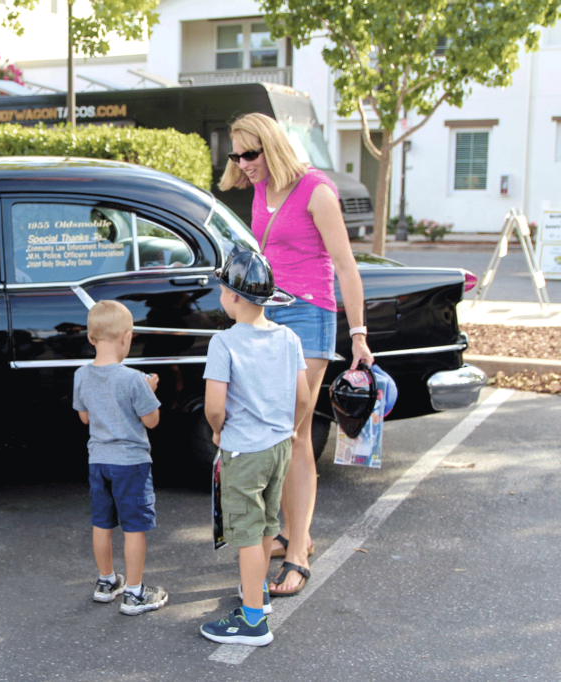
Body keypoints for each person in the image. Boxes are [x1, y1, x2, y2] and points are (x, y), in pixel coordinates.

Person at [219, 113, 375, 597]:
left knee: (294, 431)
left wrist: (360, 335)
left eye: (251, 154)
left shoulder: (317, 191)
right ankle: (290, 529)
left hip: (309, 317)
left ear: (272, 146)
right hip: (269, 317)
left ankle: (299, 550)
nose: (243, 165)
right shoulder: (261, 187)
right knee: (273, 430)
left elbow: (346, 267)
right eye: (236, 155)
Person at [199, 248, 310, 646]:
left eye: (221, 289)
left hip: (243, 451)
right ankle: (257, 593)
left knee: (244, 533)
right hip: (280, 446)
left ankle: (251, 623)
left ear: (234, 297)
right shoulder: (289, 338)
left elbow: (214, 406)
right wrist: (293, 429)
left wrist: (217, 431)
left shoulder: (223, 343)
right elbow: (303, 397)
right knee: (266, 523)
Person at [72, 300, 168, 616]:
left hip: (98, 461)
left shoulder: (81, 376)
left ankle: (106, 582)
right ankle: (136, 593)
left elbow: (85, 418)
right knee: (133, 527)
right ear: (127, 337)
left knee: (102, 522)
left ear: (90, 337)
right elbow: (152, 420)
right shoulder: (133, 379)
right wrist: (150, 388)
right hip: (131, 464)